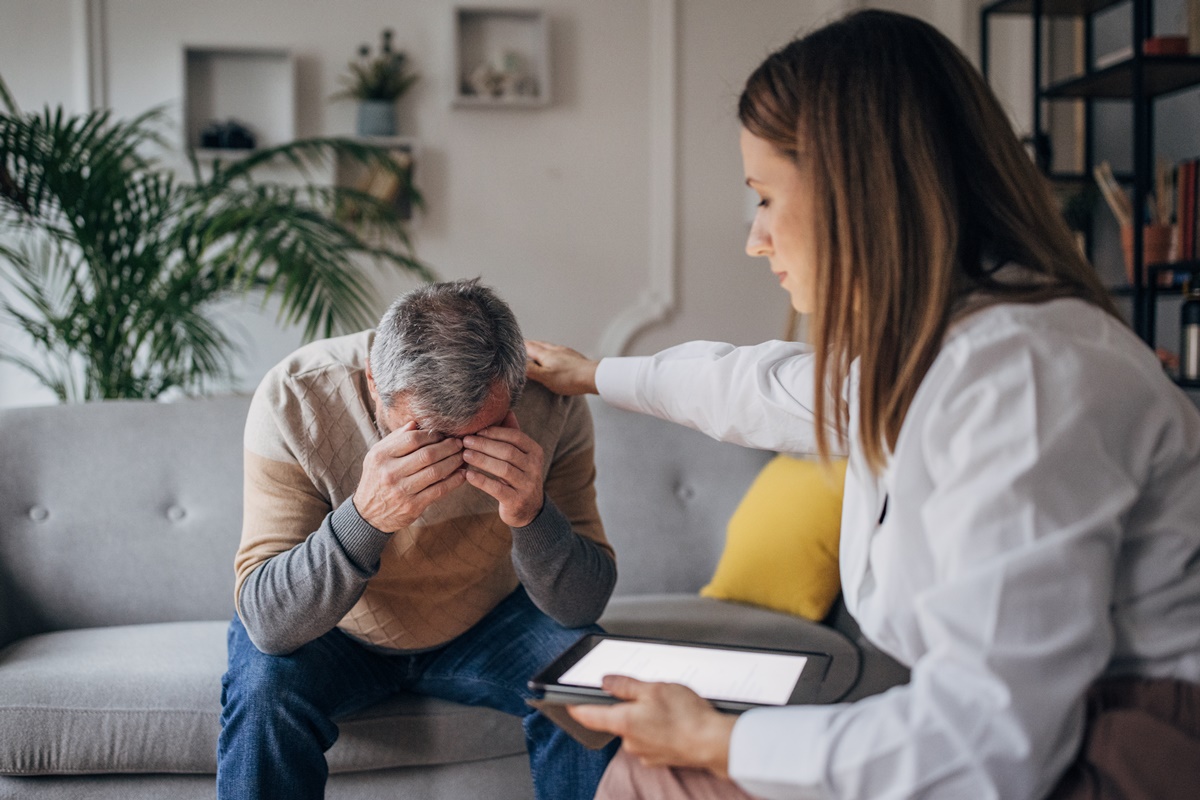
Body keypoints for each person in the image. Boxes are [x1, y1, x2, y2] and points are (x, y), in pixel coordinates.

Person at [525, 10, 1200, 800]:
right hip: (1037, 731)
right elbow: (755, 387)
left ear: (860, 193)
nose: (756, 238)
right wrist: (597, 373)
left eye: (767, 198)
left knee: (654, 777)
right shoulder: (935, 353)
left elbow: (990, 742)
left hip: (1123, 750)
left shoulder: (1021, 377)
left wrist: (719, 736)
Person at [216, 279, 619, 800]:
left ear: (513, 395)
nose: (450, 454)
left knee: (596, 680)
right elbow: (269, 622)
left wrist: (532, 513)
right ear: (373, 385)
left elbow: (582, 605)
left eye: (481, 432)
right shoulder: (295, 396)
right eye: (425, 433)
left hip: (488, 618)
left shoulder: (552, 402)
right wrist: (365, 518)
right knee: (263, 691)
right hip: (335, 628)